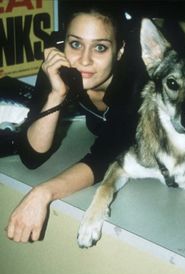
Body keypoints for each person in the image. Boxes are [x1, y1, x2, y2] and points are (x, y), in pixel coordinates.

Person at [6, 4, 145, 243]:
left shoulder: (137, 80)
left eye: (100, 47)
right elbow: (31, 156)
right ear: (63, 44)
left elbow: (105, 157)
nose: (84, 60)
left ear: (119, 51)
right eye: (76, 44)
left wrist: (43, 192)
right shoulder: (57, 63)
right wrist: (56, 94)